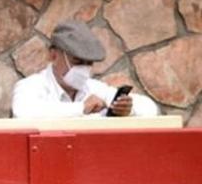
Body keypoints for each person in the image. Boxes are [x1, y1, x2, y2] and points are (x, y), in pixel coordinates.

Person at [12, 20, 159, 119]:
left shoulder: (93, 88)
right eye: (77, 61)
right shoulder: (31, 86)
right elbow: (24, 111)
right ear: (53, 55)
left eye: (88, 63)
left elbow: (150, 109)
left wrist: (128, 108)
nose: (83, 68)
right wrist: (81, 108)